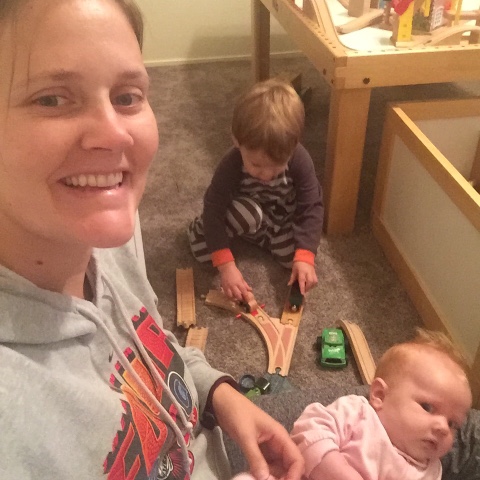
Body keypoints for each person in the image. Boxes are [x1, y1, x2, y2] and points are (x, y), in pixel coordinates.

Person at [0, 1, 305, 479]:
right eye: (51, 99)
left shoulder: (107, 224)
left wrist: (216, 392)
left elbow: (152, 342)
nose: (114, 134)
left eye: (127, 96)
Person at [187, 79, 324, 301]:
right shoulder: (231, 163)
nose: (266, 174)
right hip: (246, 212)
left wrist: (305, 256)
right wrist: (226, 266)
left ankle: (261, 239)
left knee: (294, 260)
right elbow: (214, 207)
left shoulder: (300, 160)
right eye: (256, 165)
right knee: (204, 250)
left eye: (276, 166)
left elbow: (311, 207)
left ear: (294, 146)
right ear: (237, 141)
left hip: (277, 221)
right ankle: (204, 230)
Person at [290, 329, 473, 480]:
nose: (443, 428)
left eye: (453, 423)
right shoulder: (359, 414)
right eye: (427, 407)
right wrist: (339, 472)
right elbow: (308, 433)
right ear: (380, 395)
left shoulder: (431, 472)